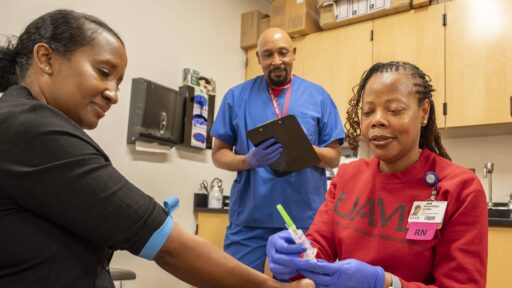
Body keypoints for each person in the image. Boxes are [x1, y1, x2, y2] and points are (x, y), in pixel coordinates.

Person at [0, 9, 309, 288]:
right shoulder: (29, 127)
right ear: (45, 58)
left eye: (118, 83)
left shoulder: (19, 120)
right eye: (104, 72)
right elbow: (167, 245)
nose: (113, 94)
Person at [266, 61, 488, 287]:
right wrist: (294, 256)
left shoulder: (460, 189)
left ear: (423, 112)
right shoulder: (347, 177)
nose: (377, 120)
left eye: (394, 110)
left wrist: (386, 283)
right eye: (368, 112)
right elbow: (318, 249)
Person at [210, 27, 345, 272]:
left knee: (300, 284)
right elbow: (218, 154)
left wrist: (306, 149)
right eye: (268, 54)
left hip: (302, 218)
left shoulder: (318, 97)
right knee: (237, 281)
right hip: (250, 218)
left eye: (283, 53)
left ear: (293, 53)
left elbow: (334, 157)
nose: (276, 61)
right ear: (258, 58)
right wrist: (248, 160)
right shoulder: (236, 97)